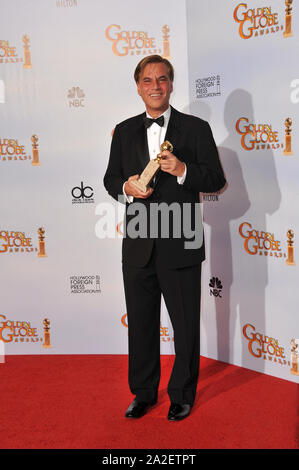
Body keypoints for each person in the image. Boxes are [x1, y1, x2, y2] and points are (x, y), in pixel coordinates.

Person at [104, 55, 226, 421]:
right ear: (138, 86)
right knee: (141, 324)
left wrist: (185, 170)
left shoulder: (196, 128)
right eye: (147, 80)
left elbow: (217, 180)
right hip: (139, 244)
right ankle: (143, 393)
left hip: (181, 242)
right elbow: (111, 180)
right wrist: (126, 187)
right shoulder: (124, 131)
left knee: (185, 325)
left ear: (171, 85)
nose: (155, 86)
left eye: (161, 79)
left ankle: (181, 394)